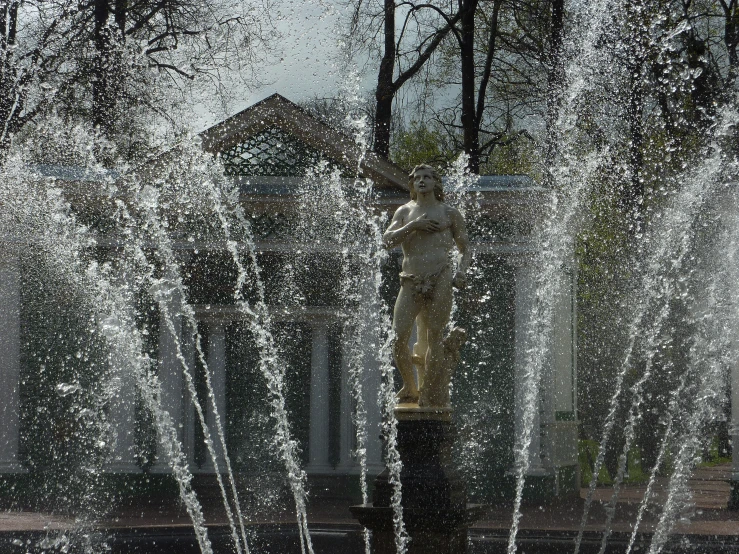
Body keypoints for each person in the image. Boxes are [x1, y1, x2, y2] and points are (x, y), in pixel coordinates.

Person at [383, 164, 469, 406]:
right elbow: (386, 240)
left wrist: (461, 272)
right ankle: (410, 387)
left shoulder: (449, 213)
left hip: (440, 277)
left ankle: (429, 390)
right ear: (412, 184)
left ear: (435, 183)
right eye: (417, 178)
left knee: (435, 336)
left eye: (427, 178)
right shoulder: (404, 212)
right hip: (410, 280)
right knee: (399, 337)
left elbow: (465, 248)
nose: (421, 181)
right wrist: (413, 226)